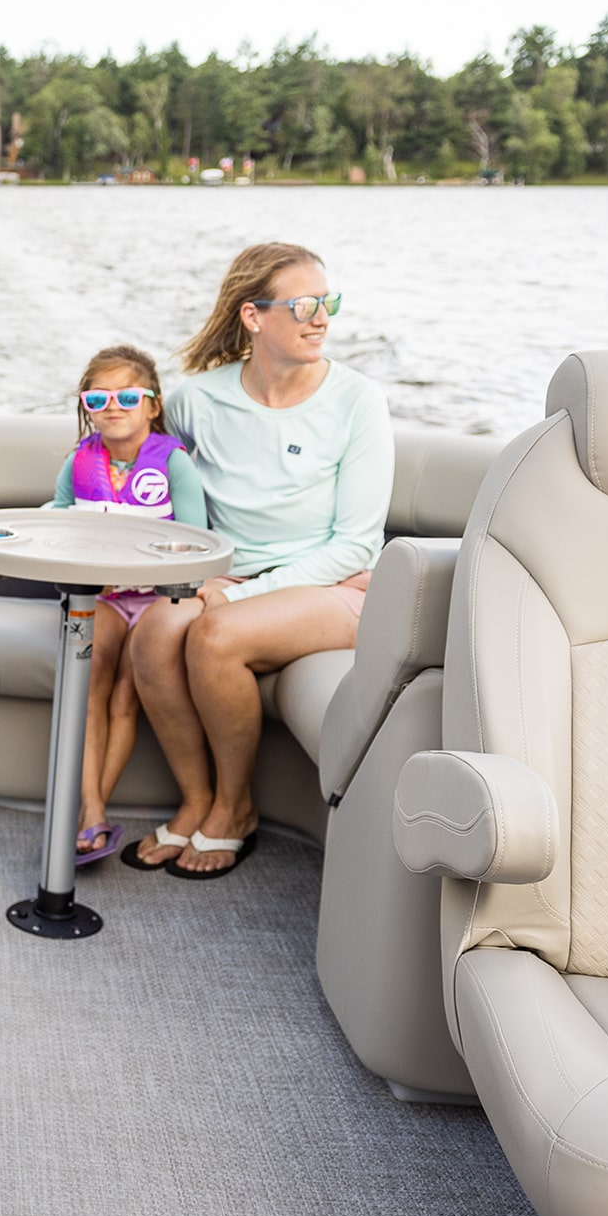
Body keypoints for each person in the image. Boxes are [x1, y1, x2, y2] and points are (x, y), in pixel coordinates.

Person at [123, 242, 391, 878]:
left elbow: (356, 545)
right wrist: (193, 571)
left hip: (338, 586)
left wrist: (237, 595)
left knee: (215, 635)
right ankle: (195, 801)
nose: (320, 317)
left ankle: (234, 809)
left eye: (328, 302)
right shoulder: (196, 401)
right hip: (235, 575)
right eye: (303, 305)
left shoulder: (358, 401)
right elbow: (164, 489)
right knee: (156, 633)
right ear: (253, 317)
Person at [43, 345, 205, 864]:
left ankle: (90, 815)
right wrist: (50, 518)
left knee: (125, 698)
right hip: (101, 602)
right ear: (86, 405)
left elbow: (198, 537)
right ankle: (92, 813)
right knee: (88, 683)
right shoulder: (78, 461)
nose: (113, 406)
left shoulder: (175, 464)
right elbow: (57, 514)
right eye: (98, 396)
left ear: (153, 405)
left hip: (156, 603)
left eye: (128, 396)